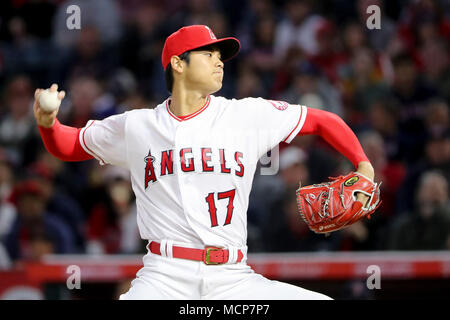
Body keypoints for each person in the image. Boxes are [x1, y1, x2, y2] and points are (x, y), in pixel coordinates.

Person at [33, 25, 375, 300]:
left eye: (221, 56)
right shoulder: (137, 126)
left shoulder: (246, 114)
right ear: (178, 64)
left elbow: (323, 121)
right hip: (164, 276)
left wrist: (363, 165)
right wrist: (48, 122)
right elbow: (69, 145)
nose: (220, 61)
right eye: (209, 54)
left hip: (233, 278)